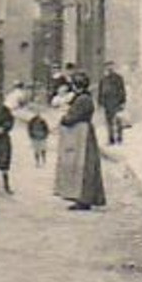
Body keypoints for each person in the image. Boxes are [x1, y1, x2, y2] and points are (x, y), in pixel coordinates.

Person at [54, 70, 105, 210]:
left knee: (83, 165)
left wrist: (64, 119)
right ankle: (81, 197)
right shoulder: (82, 98)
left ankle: (84, 198)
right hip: (80, 133)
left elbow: (72, 117)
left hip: (82, 134)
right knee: (80, 165)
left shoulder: (83, 99)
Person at [96, 62, 127, 145]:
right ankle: (111, 138)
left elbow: (122, 90)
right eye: (107, 67)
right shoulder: (103, 79)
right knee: (108, 121)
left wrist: (122, 102)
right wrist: (100, 103)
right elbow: (100, 91)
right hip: (107, 103)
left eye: (111, 67)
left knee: (118, 120)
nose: (109, 69)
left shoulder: (118, 78)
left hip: (116, 101)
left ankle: (119, 137)